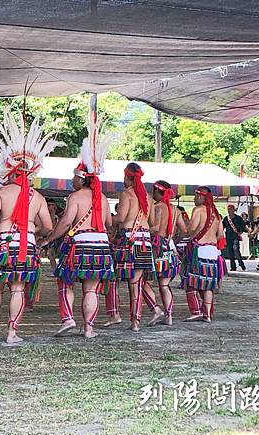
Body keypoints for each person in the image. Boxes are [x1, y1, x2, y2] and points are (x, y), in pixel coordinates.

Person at [0, 107, 58, 343]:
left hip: (3, 245)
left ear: (11, 172)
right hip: (27, 245)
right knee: (18, 289)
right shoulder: (39, 198)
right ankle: (12, 333)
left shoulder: (2, 192)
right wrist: (37, 235)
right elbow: (48, 226)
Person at [41, 112, 113, 338]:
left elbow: (65, 222)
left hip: (80, 245)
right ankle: (89, 329)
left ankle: (68, 319)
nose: (71, 181)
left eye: (73, 177)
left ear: (81, 179)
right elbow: (109, 223)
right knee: (90, 288)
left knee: (65, 280)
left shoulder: (75, 197)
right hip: (101, 246)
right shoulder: (102, 198)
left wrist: (50, 238)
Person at [112, 162, 158, 332]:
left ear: (127, 177)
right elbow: (153, 223)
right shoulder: (149, 198)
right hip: (145, 241)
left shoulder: (126, 194)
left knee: (131, 284)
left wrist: (109, 219)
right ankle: (136, 320)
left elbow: (121, 217)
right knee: (137, 283)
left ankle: (135, 321)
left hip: (130, 239)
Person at [142, 180, 185, 326]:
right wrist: (174, 241)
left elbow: (156, 229)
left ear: (157, 191)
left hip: (157, 249)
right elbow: (185, 231)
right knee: (164, 285)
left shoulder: (157, 207)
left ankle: (155, 309)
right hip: (169, 248)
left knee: (143, 281)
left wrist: (141, 229)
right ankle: (169, 316)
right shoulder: (176, 210)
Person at [184, 186, 226, 323]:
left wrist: (189, 232)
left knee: (190, 282)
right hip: (213, 251)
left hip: (200, 250)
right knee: (208, 285)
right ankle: (207, 314)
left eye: (196, 196)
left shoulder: (198, 210)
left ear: (201, 197)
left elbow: (191, 229)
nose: (194, 199)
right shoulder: (217, 214)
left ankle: (196, 311)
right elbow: (220, 235)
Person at [222, 204, 247, 271]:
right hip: (228, 237)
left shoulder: (238, 218)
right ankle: (233, 266)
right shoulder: (226, 219)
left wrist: (242, 231)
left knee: (236, 250)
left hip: (235, 237)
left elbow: (243, 226)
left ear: (233, 210)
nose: (229, 211)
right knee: (230, 252)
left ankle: (241, 264)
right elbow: (222, 227)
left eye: (230, 209)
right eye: (228, 209)